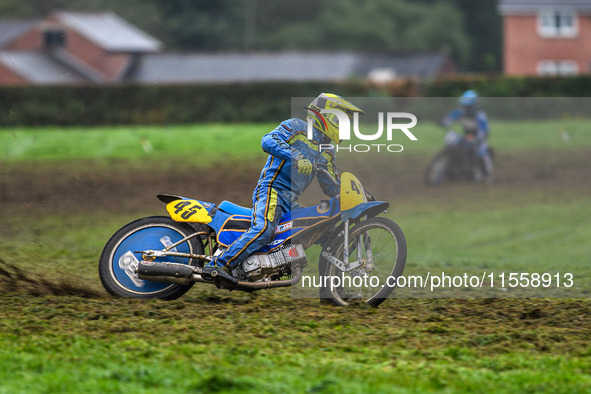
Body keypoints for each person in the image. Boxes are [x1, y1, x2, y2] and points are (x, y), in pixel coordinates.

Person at [202, 93, 364, 286]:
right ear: (326, 117)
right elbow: (268, 140)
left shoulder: (327, 149)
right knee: (264, 230)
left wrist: (356, 195)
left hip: (290, 201)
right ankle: (220, 265)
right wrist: (296, 156)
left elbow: (331, 185)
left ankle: (331, 290)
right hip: (272, 190)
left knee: (326, 233)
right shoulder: (296, 127)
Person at [441, 90, 493, 180]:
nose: (465, 108)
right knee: (452, 145)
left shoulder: (480, 116)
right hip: (466, 136)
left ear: (474, 106)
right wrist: (444, 122)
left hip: (477, 138)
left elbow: (484, 131)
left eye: (468, 106)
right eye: (464, 106)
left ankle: (488, 174)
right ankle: (450, 169)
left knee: (482, 152)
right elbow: (450, 117)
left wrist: (478, 139)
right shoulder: (461, 112)